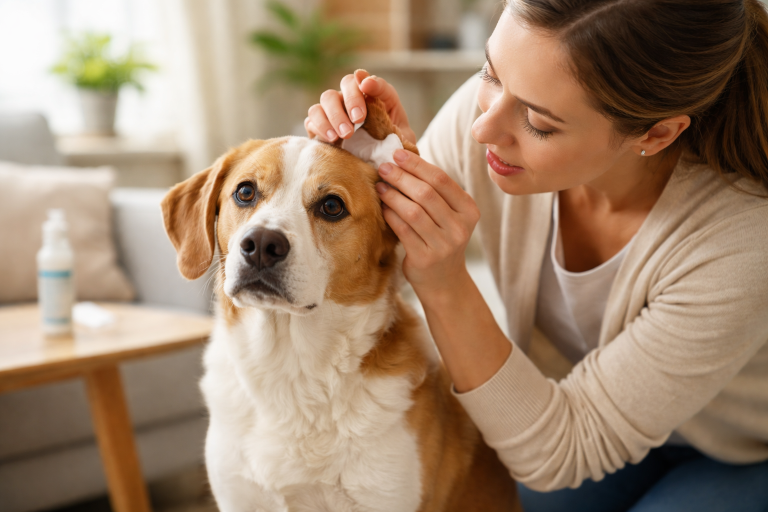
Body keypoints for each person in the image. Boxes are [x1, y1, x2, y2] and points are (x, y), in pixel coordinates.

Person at [305, 1, 768, 510]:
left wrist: (445, 284)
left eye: (539, 123)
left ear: (656, 134)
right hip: (577, 409)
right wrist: (370, 168)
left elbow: (559, 451)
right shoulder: (489, 120)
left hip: (737, 449)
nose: (482, 128)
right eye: (490, 73)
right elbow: (373, 270)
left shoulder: (743, 241)